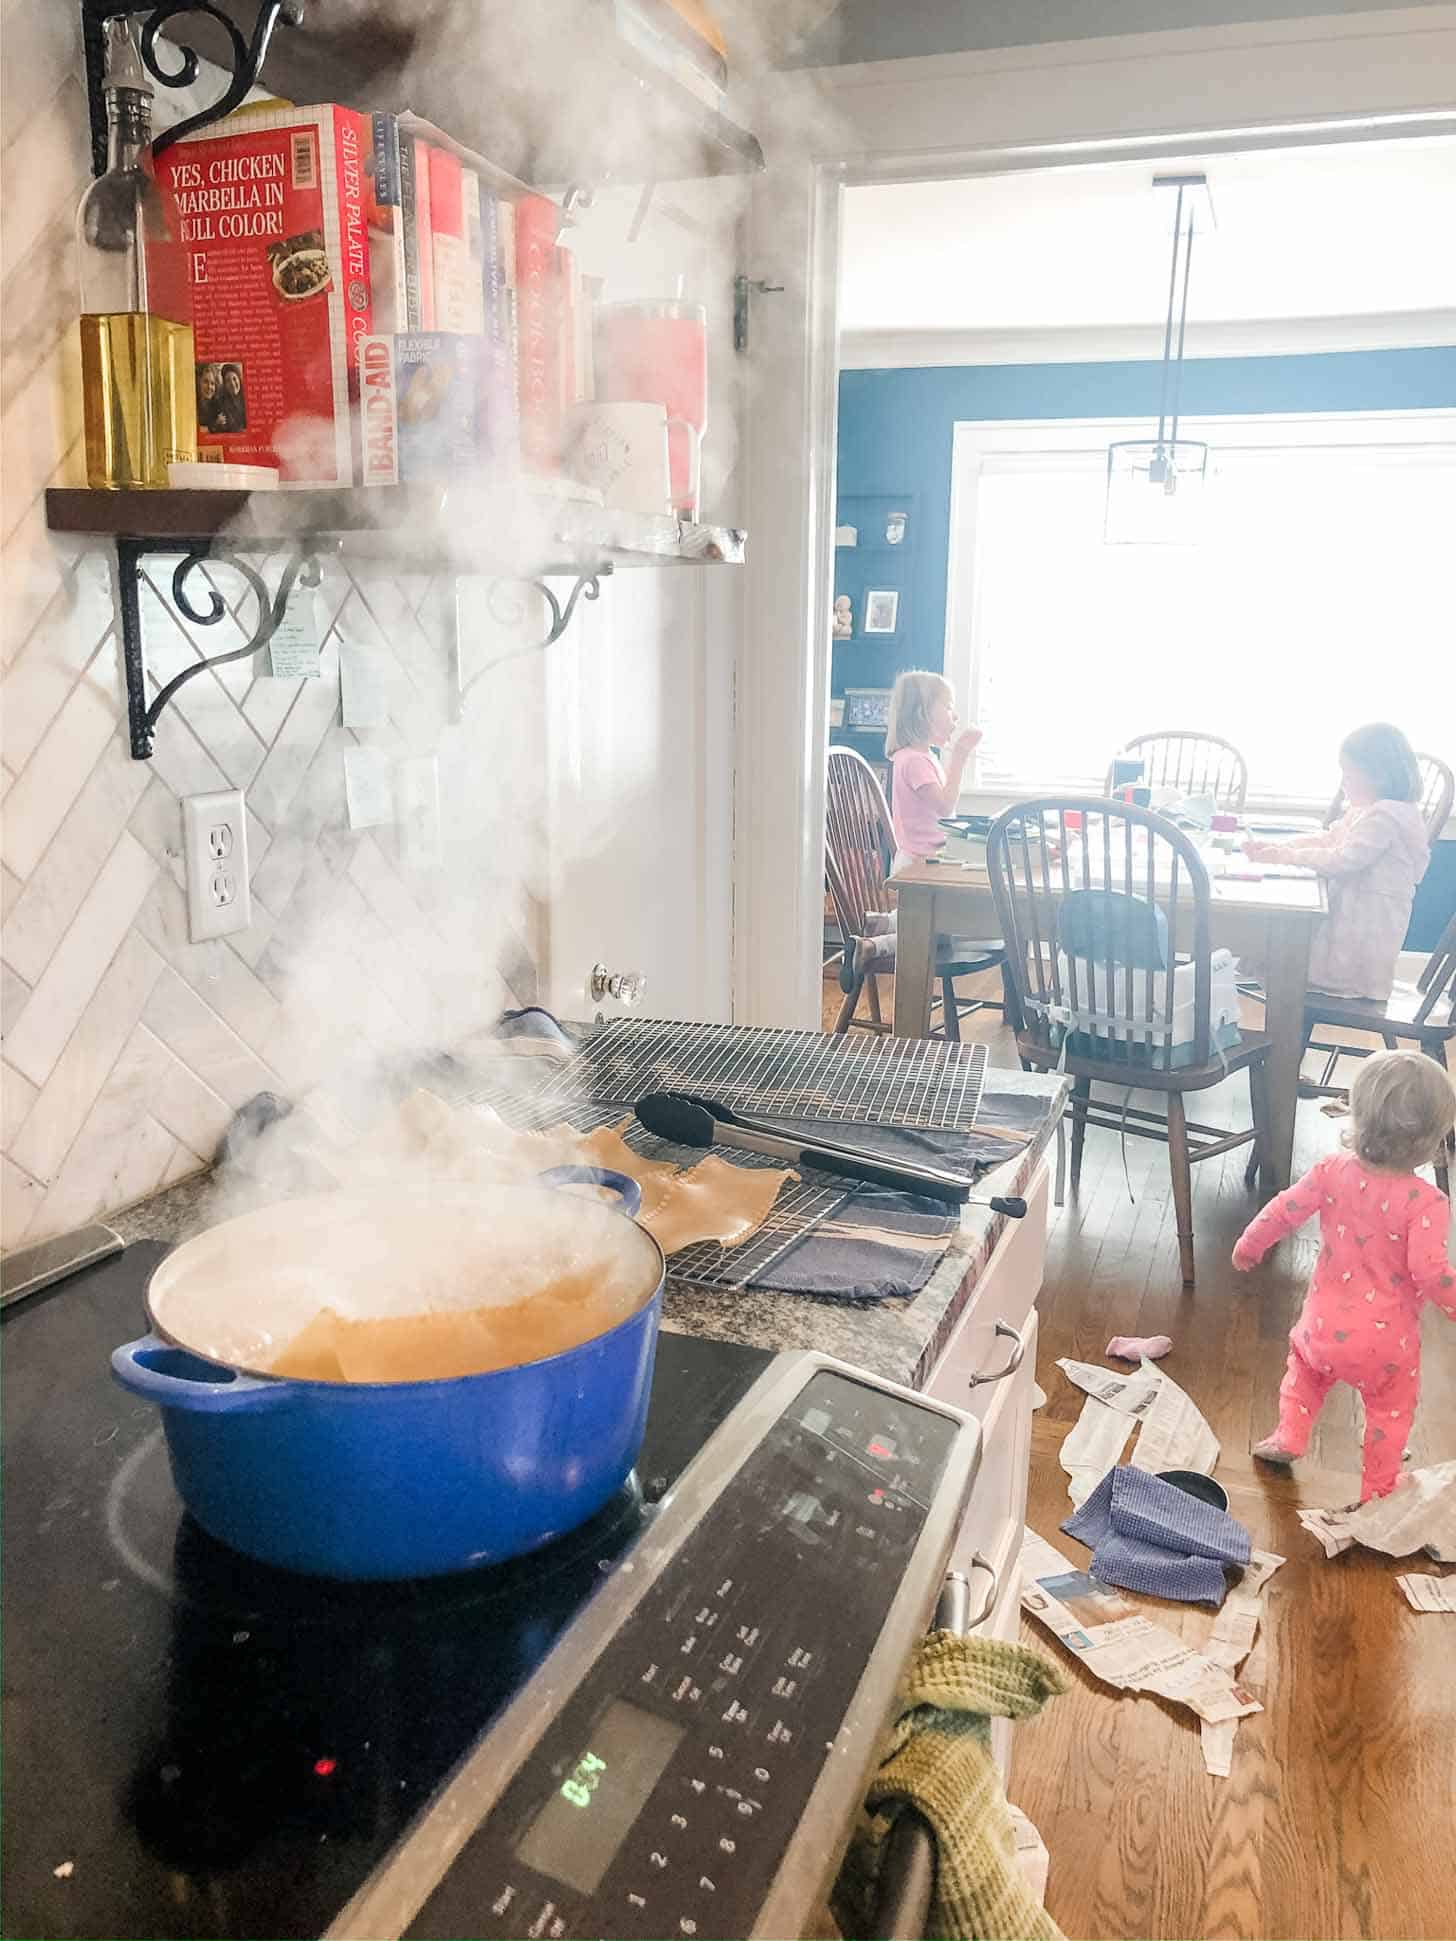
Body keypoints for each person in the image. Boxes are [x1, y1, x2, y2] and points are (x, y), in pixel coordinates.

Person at [1233, 1050, 1456, 1500]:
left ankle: (1290, 1435)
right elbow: (1431, 1273)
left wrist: (1249, 1245)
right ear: (1435, 1138)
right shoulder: (1426, 1202)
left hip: (1322, 1326)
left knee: (1303, 1373)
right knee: (1389, 1411)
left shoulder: (1331, 1171)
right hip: (1386, 1345)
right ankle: (1379, 1482)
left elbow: (1283, 1210)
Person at [1243, 723, 1429, 1000]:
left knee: (1302, 955)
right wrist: (1280, 847)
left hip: (1368, 917)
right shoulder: (1366, 810)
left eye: (1350, 775)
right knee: (1284, 947)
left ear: (1379, 776)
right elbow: (1330, 839)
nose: (1343, 783)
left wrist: (1287, 856)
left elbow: (1345, 858)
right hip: (1354, 908)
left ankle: (1285, 1022)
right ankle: (1277, 998)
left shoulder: (1386, 817)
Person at [885, 670, 982, 870]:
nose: (955, 716)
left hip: (927, 859)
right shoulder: (914, 761)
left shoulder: (923, 757)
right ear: (922, 713)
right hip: (917, 865)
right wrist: (959, 755)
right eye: (948, 707)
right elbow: (945, 807)